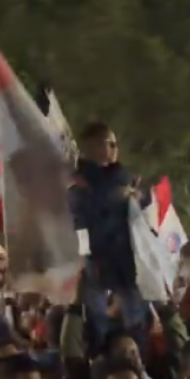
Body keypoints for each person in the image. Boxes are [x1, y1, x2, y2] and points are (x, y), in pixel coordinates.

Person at [69, 122, 148, 352]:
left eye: (116, 144)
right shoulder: (79, 187)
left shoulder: (122, 182)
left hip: (128, 265)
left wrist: (135, 200)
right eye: (110, 144)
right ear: (93, 146)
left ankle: (137, 366)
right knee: (99, 327)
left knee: (136, 325)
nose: (116, 149)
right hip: (99, 267)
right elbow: (81, 226)